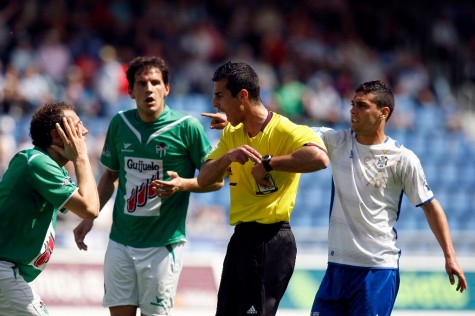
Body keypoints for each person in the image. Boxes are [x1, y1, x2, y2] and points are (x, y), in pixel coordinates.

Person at [204, 80, 468, 316]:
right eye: (352, 104)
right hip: (336, 268)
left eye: (362, 106)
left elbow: (431, 207)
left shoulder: (403, 159)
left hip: (376, 270)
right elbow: (283, 129)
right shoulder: (336, 140)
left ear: (383, 112)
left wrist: (450, 255)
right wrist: (235, 121)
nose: (352, 110)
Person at [72, 56, 223, 316]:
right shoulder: (120, 123)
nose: (148, 89)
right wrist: (90, 216)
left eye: (155, 82)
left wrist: (182, 185)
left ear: (167, 89)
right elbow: (110, 175)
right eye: (141, 83)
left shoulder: (186, 127)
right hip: (120, 241)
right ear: (130, 91)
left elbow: (216, 180)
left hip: (162, 246)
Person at [197, 61, 330, 316]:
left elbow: (320, 159)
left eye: (220, 96)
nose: (215, 104)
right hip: (241, 240)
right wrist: (227, 158)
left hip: (271, 240)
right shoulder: (232, 134)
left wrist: (269, 163)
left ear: (243, 96)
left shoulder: (284, 129)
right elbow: (204, 179)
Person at [0, 101, 100, 315]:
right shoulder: (37, 163)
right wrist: (81, 157)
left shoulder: (46, 166)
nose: (85, 131)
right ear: (57, 136)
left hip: (11, 272)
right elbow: (90, 208)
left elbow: (87, 205)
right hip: (4, 272)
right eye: (77, 125)